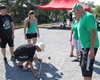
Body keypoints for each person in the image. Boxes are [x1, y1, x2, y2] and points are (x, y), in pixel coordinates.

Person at [72, 3, 99, 80]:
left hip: (89, 47)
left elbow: (93, 33)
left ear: (79, 10)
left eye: (74, 12)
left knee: (87, 70)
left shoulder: (87, 17)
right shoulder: (81, 17)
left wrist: (91, 49)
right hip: (85, 46)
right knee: (84, 67)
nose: (73, 13)